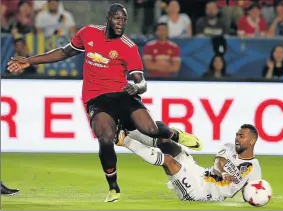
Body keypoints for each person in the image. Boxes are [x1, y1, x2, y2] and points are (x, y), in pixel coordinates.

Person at [7, 3, 201, 203]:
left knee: (150, 129)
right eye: (117, 18)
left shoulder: (129, 47)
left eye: (124, 20)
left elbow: (141, 81)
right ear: (108, 18)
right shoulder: (88, 33)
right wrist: (30, 60)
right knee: (105, 136)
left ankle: (174, 133)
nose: (121, 23)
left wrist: (137, 88)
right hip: (96, 99)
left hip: (123, 96)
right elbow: (64, 52)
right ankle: (114, 187)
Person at [116, 122, 262, 201]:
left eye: (241, 136)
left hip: (201, 194)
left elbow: (250, 194)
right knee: (164, 141)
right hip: (199, 173)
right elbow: (219, 163)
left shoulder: (254, 168)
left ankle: (124, 140)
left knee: (169, 161)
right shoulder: (228, 147)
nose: (237, 138)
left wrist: (255, 196)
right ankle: (126, 130)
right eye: (237, 135)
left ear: (252, 141)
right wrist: (223, 173)